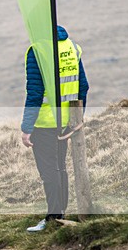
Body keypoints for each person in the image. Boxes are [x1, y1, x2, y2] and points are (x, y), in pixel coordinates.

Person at [21, 26, 89, 232]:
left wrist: (26, 127)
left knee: (49, 171)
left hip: (44, 123)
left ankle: (53, 218)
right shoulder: (71, 47)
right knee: (60, 168)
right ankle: (60, 214)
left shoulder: (37, 50)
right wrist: (77, 117)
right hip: (65, 121)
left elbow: (35, 93)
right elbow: (83, 86)